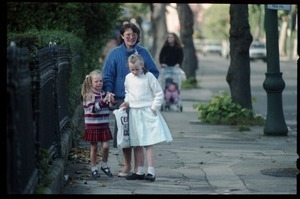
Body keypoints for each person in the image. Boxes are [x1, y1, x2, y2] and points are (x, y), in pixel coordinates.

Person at [102, 22, 159, 177]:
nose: (131, 37)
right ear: (122, 36)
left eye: (134, 35)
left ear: (137, 37)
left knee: (139, 134)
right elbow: (107, 76)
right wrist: (108, 92)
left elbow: (154, 72)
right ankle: (127, 166)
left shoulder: (144, 53)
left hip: (140, 101)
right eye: (127, 35)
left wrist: (143, 82)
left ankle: (139, 168)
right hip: (121, 99)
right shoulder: (114, 54)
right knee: (125, 135)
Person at [119, 53, 173, 182]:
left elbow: (158, 94)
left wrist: (154, 107)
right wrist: (127, 102)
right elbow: (128, 93)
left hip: (147, 111)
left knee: (148, 142)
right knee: (137, 142)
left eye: (137, 69)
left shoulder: (149, 77)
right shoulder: (128, 78)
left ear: (142, 65)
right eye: (132, 69)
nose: (134, 72)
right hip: (134, 112)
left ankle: (151, 171)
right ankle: (140, 171)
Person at [81, 69, 116, 179]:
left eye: (101, 81)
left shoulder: (104, 94)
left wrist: (111, 101)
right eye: (96, 81)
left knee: (106, 146)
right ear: (90, 82)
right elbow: (92, 109)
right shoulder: (88, 96)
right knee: (94, 147)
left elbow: (110, 108)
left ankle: (104, 165)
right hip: (93, 125)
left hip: (103, 124)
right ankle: (94, 167)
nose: (99, 83)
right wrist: (103, 101)